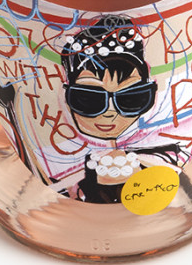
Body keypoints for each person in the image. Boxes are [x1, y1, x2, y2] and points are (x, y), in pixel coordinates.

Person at [59, 15, 182, 203]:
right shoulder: (67, 182)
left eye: (130, 98)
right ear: (68, 95)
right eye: (88, 98)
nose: (109, 112)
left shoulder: (160, 158)